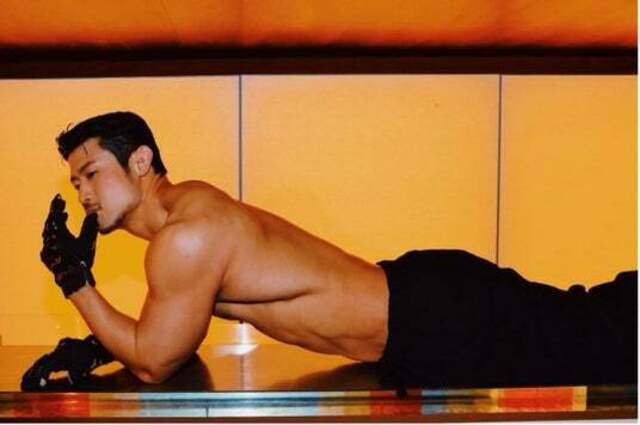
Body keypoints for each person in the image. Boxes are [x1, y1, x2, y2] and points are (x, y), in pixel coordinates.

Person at [21, 112, 637, 391]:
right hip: (424, 303)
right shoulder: (189, 215)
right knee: (594, 322)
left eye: (91, 173)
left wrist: (77, 284)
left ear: (141, 161)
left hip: (434, 321)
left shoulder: (186, 237)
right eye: (75, 184)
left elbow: (156, 361)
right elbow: (172, 330)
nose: (83, 194)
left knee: (605, 339)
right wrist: (103, 343)